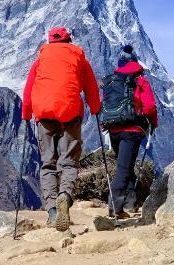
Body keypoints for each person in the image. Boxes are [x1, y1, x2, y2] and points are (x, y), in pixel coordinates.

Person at [22, 27, 100, 231]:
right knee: (68, 163)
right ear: (69, 39)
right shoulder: (78, 56)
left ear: (50, 41)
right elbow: (91, 86)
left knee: (48, 163)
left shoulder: (41, 58)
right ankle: (65, 195)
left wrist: (26, 113)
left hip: (44, 114)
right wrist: (95, 107)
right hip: (70, 113)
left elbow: (29, 88)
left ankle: (52, 211)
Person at [107, 45, 158, 218]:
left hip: (113, 128)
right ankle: (115, 207)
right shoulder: (140, 79)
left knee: (125, 165)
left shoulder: (114, 80)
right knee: (124, 168)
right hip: (132, 129)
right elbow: (150, 106)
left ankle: (130, 202)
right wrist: (152, 122)